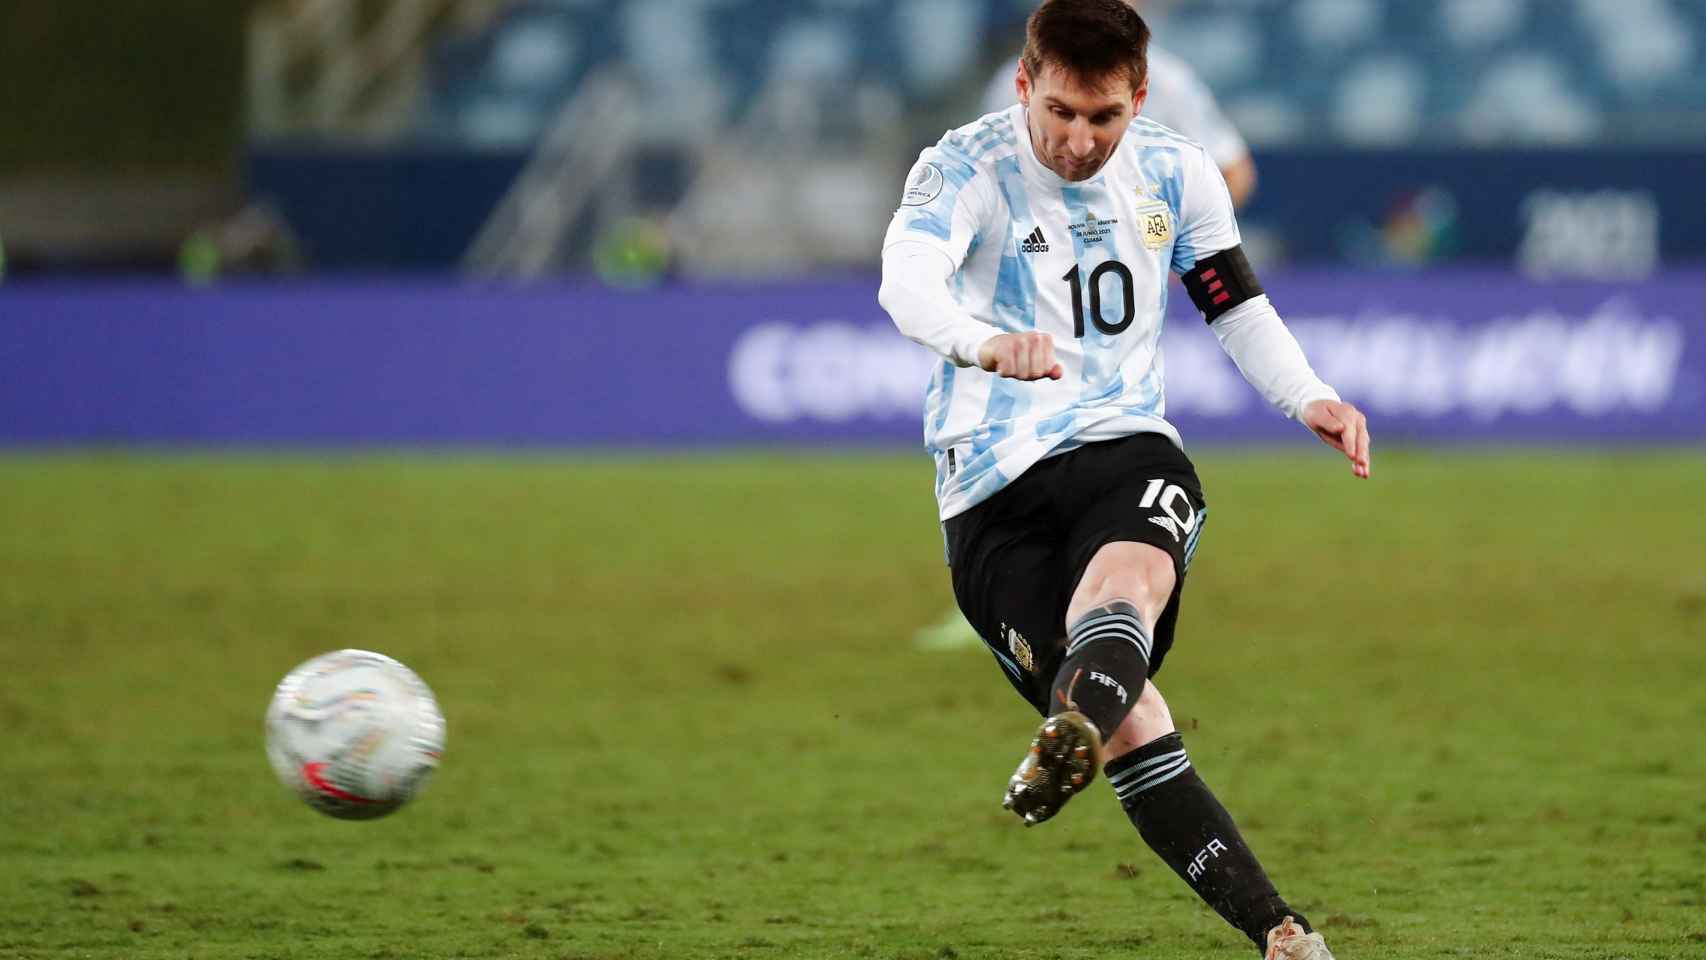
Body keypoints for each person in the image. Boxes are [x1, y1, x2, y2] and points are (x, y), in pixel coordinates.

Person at [876, 2, 1368, 958]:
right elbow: (906, 281)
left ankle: (1285, 939)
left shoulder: (1177, 170)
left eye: (1104, 118)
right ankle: (1084, 728)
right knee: (1134, 716)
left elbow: (1232, 300)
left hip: (1122, 442)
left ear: (1138, 98)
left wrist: (1307, 395)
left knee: (1135, 576)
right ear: (1024, 86)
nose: (1079, 139)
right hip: (988, 482)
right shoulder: (963, 165)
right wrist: (982, 342)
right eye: (1060, 112)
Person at [981, 0, 1257, 208]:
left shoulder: (1168, 81)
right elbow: (987, 179)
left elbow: (1233, 173)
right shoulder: (1015, 83)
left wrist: (1175, 248)